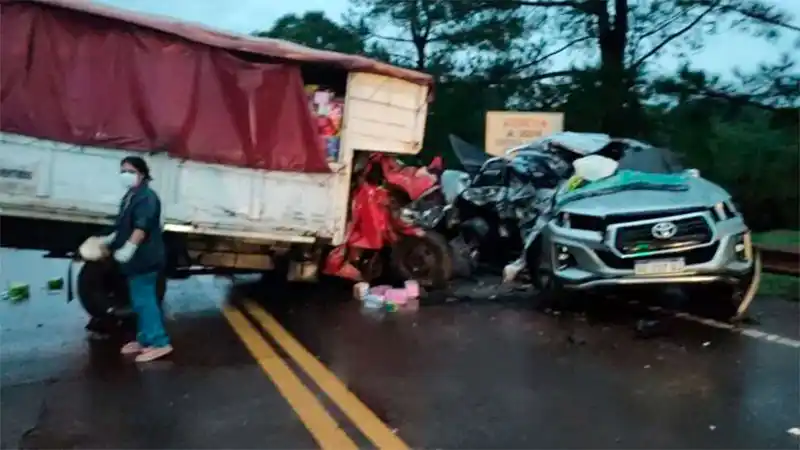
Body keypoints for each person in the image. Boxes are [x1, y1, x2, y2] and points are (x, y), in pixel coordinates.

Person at [98, 156, 172, 363]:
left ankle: (159, 342)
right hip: (136, 261)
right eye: (123, 171)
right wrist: (112, 239)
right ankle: (145, 339)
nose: (125, 175)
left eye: (130, 171)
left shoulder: (147, 197)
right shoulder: (132, 195)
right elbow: (124, 224)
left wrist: (129, 248)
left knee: (145, 301)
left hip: (145, 258)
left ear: (142, 173)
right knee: (139, 302)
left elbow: (142, 227)